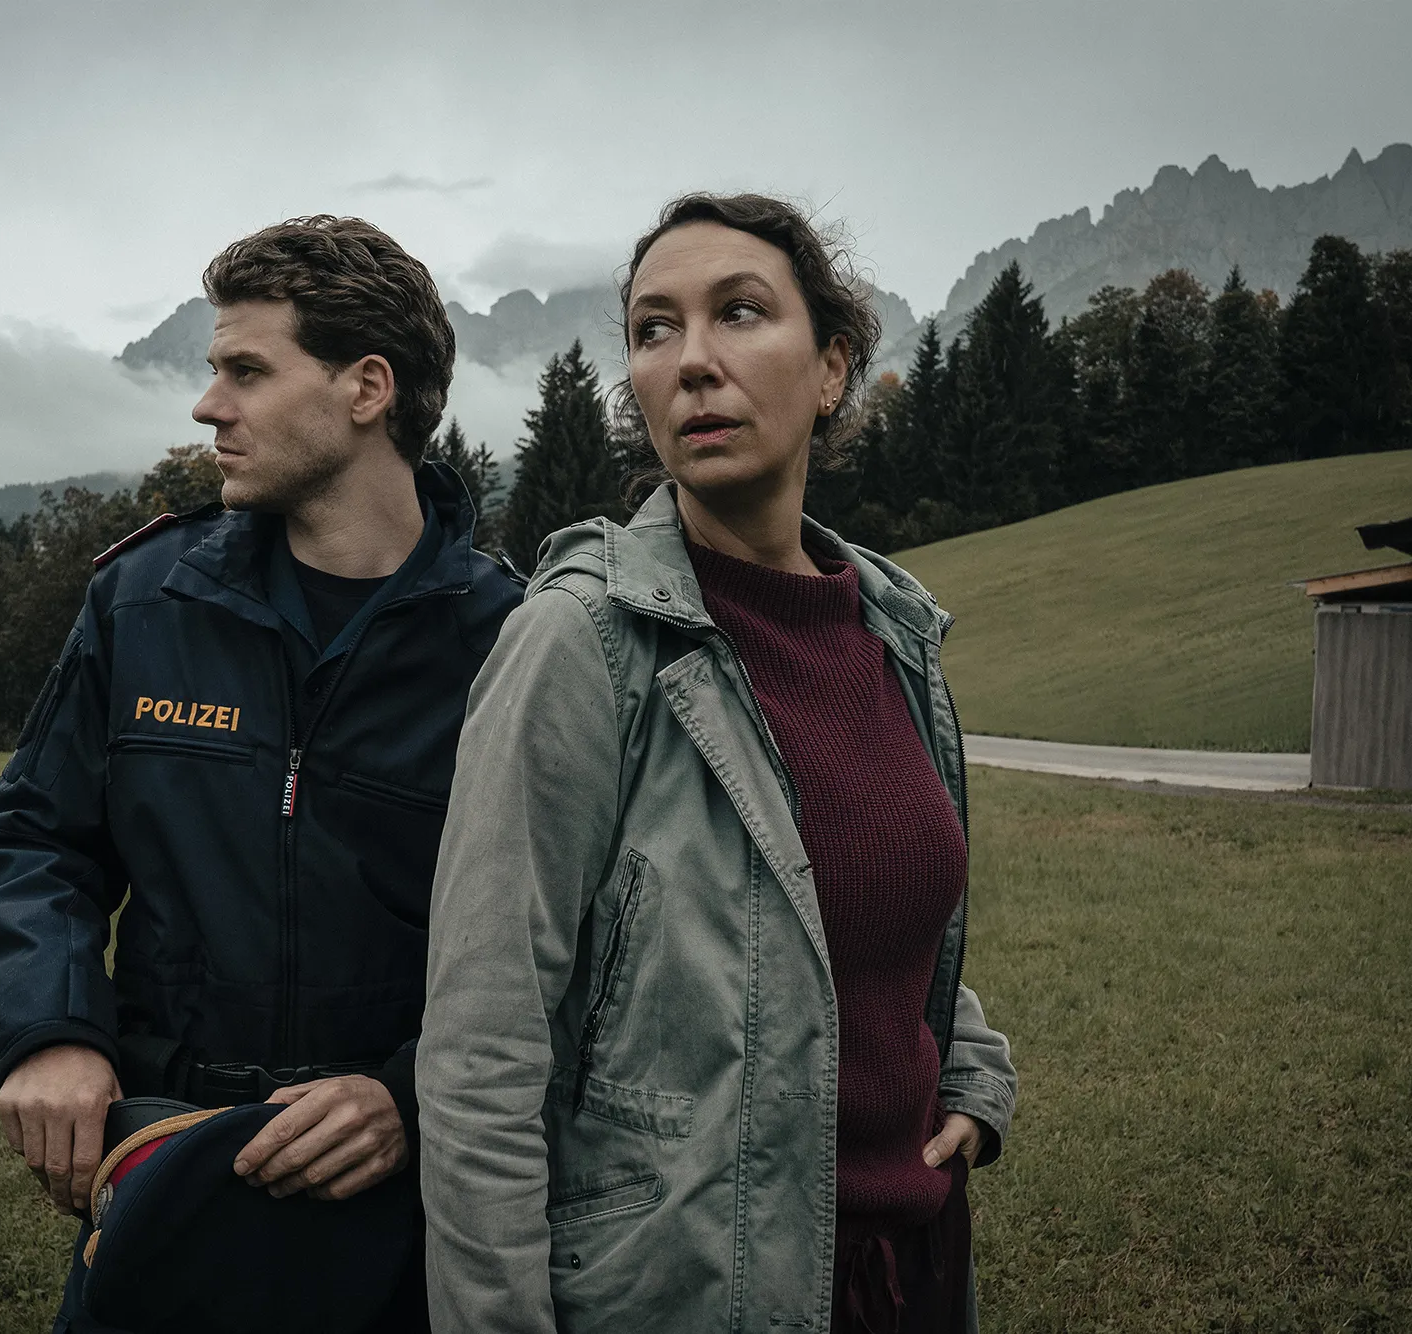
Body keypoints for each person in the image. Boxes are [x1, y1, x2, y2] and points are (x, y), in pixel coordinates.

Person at [416, 193, 1018, 1334]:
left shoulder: (890, 629)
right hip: (693, 1285)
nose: (691, 360)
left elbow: (865, 921)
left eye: (738, 312)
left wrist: (971, 1067)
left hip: (909, 1266)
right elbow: (480, 1052)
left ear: (831, 368)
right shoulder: (580, 641)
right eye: (654, 328)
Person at [0, 215, 522, 1333]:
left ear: (366, 388)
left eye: (245, 371)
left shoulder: (513, 642)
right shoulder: (146, 599)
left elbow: (570, 936)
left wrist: (411, 1094)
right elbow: (36, 836)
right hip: (173, 1163)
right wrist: (54, 1028)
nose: (206, 405)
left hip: (403, 1211)